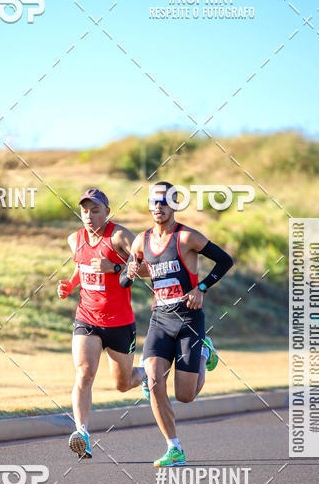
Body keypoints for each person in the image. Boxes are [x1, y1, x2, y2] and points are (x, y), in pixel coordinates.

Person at [122, 181, 234, 466]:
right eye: (153, 202)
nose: (158, 207)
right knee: (155, 381)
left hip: (189, 319)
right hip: (160, 319)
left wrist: (202, 289)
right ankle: (174, 448)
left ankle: (205, 352)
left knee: (185, 395)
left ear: (174, 205)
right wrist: (131, 271)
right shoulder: (140, 241)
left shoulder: (187, 238)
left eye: (164, 202)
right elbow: (126, 278)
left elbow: (224, 261)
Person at [57, 188, 148, 459]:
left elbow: (146, 266)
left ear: (107, 211)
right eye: (85, 210)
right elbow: (81, 265)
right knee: (84, 373)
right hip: (87, 318)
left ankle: (145, 373)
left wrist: (116, 268)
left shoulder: (119, 236)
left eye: (95, 210)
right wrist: (70, 284)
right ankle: (82, 434)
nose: (89, 215)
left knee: (122, 384)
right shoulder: (75, 239)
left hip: (120, 323)